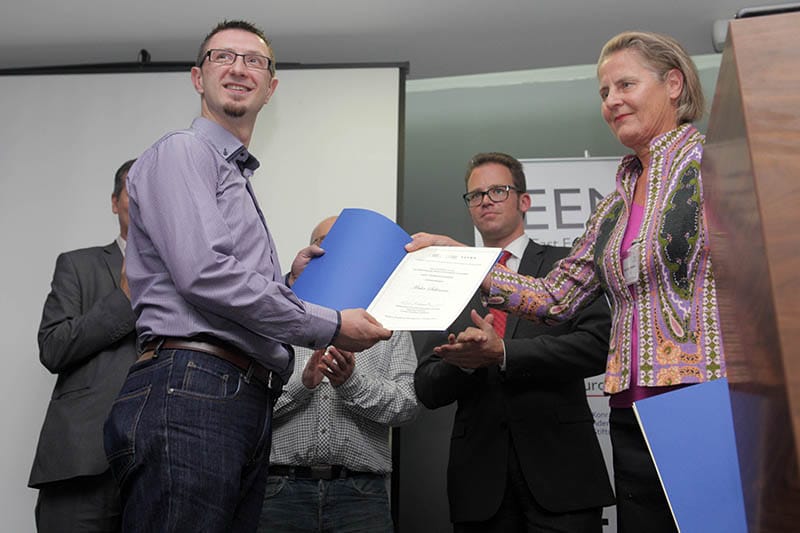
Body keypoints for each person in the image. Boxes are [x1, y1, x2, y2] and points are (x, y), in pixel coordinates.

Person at [407, 31, 725, 533]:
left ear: (673, 84)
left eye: (625, 85)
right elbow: (554, 297)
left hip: (705, 397)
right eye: (604, 92)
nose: (612, 101)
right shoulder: (614, 206)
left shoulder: (720, 169)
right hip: (629, 408)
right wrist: (463, 261)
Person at [102, 20, 391, 533]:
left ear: (270, 87)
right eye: (223, 57)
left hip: (233, 395)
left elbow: (217, 276)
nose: (239, 68)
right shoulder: (184, 151)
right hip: (193, 386)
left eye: (254, 60)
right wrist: (330, 324)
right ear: (198, 77)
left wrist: (288, 282)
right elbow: (205, 275)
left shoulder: (233, 172)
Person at [414, 153, 614, 532]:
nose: (486, 200)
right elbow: (426, 386)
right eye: (476, 195)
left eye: (498, 190)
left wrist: (504, 353)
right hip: (480, 485)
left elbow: (598, 345)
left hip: (563, 476)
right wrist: (465, 362)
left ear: (524, 201)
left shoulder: (565, 267)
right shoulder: (448, 277)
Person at [258, 216, 419, 533]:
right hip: (279, 492)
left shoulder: (389, 320)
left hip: (361, 495)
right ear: (310, 252)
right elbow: (251, 405)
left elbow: (408, 405)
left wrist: (352, 384)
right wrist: (302, 385)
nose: (336, 252)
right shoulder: (278, 313)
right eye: (324, 243)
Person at [29, 159, 138, 532]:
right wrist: (124, 300)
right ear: (115, 202)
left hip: (158, 468)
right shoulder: (77, 265)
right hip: (83, 463)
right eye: (134, 190)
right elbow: (53, 347)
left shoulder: (188, 276)